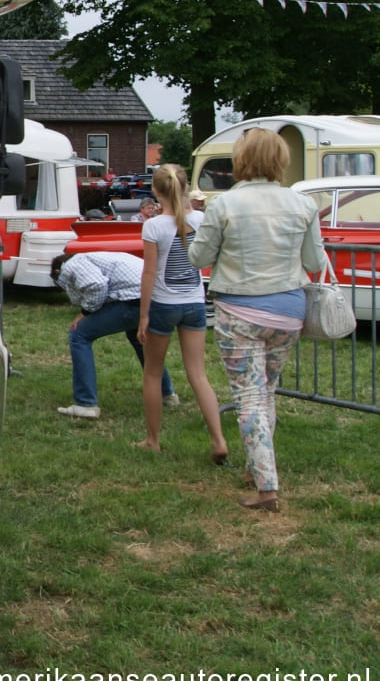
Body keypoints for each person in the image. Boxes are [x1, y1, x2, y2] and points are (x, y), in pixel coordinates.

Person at [188, 129, 324, 513]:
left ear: (240, 160)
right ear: (280, 159)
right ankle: (255, 467)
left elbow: (199, 258)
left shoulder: (224, 205)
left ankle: (266, 487)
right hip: (289, 310)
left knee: (249, 396)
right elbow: (315, 263)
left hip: (240, 311)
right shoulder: (302, 204)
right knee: (267, 390)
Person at [136, 163, 228, 461]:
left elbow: (149, 273)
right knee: (198, 374)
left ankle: (153, 439)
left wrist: (143, 315)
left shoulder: (153, 226)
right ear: (186, 187)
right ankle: (218, 439)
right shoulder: (201, 219)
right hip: (194, 303)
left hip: (164, 304)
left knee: (152, 373)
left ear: (155, 191)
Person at [51, 251, 178, 419]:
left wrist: (85, 312)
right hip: (156, 298)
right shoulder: (99, 257)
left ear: (57, 272)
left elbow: (97, 285)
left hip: (134, 300)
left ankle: (85, 403)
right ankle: (166, 394)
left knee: (79, 334)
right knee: (138, 338)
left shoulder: (72, 265)